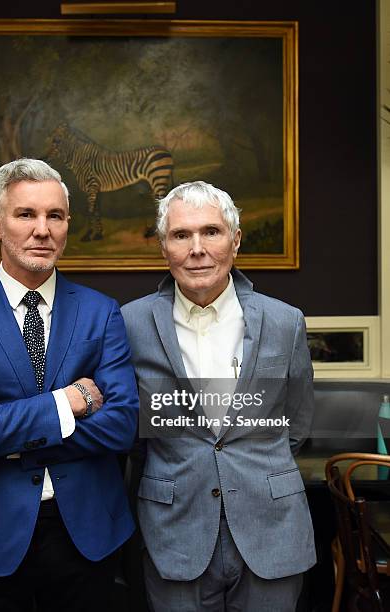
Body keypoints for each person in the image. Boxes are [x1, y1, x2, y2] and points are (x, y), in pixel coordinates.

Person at [0, 158, 139, 612]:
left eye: (55, 216)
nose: (42, 229)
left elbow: (121, 426)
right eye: (26, 215)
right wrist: (68, 401)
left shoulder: (102, 312)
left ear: (66, 225)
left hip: (86, 535)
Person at [121, 181, 316, 612]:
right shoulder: (128, 324)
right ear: (162, 245)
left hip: (272, 527)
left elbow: (296, 424)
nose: (197, 248)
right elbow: (133, 433)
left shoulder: (285, 321)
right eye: (180, 234)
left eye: (211, 231)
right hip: (175, 529)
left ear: (235, 239)